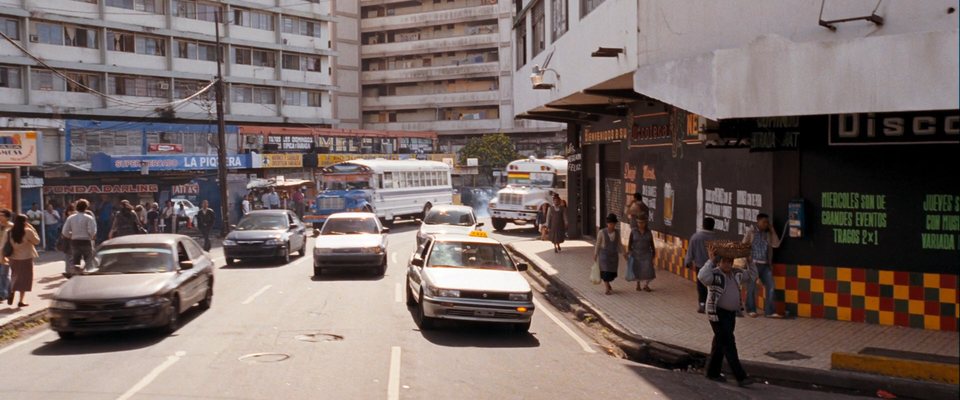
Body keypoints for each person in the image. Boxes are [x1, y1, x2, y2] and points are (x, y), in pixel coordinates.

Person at [698, 245, 755, 387]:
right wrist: (710, 261)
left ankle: (712, 372)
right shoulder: (715, 274)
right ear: (719, 262)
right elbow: (702, 277)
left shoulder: (736, 273)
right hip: (717, 314)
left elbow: (753, 276)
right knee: (729, 343)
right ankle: (740, 376)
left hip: (730, 315)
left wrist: (750, 261)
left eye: (730, 261)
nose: (727, 264)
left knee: (720, 343)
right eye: (724, 261)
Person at [742, 213, 784, 318]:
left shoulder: (768, 234)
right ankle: (751, 309)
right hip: (753, 264)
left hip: (765, 265)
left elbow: (776, 244)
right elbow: (743, 245)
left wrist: (772, 230)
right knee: (751, 288)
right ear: (758, 221)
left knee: (771, 286)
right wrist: (747, 258)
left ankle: (770, 311)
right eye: (764, 222)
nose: (766, 224)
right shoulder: (751, 232)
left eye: (767, 222)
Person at [4, 214, 40, 307]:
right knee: (24, 280)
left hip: (13, 258)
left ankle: (11, 290)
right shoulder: (27, 231)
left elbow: (3, 246)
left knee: (14, 276)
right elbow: (37, 241)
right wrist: (32, 228)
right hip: (26, 258)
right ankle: (21, 301)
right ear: (25, 222)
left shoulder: (9, 232)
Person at [685, 217, 718, 314]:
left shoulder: (695, 237)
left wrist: (688, 262)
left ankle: (702, 304)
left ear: (703, 225)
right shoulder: (715, 238)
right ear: (713, 226)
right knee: (712, 285)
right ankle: (712, 304)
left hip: (699, 266)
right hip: (713, 266)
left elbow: (690, 251)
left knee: (701, 285)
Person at [61, 199, 97, 276]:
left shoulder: (71, 218)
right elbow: (93, 231)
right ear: (86, 207)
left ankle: (77, 276)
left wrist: (71, 236)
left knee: (75, 261)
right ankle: (89, 276)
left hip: (74, 242)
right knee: (89, 261)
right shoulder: (89, 218)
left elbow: (64, 232)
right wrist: (90, 237)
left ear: (76, 207)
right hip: (86, 241)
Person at [594, 213, 624, 295]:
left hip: (613, 256)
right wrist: (595, 254)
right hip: (604, 255)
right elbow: (598, 244)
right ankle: (607, 288)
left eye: (613, 224)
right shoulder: (602, 232)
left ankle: (608, 283)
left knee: (611, 273)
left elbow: (619, 244)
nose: (611, 225)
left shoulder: (617, 233)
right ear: (607, 224)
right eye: (610, 224)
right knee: (605, 271)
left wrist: (624, 253)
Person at [628, 218, 656, 292]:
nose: (641, 224)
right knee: (638, 269)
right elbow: (630, 243)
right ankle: (638, 284)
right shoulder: (633, 231)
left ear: (645, 223)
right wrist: (630, 251)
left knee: (649, 270)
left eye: (642, 223)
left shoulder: (648, 232)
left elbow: (652, 244)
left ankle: (646, 285)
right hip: (636, 253)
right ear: (637, 223)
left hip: (647, 253)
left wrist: (653, 253)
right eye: (639, 223)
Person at [0, 209, 13, 304]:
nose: (0, 217)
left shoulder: (11, 227)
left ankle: (4, 293)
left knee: (4, 274)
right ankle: (6, 292)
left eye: (2, 215)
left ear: (7, 217)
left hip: (7, 253)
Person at [60, 203, 76, 274]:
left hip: (70, 239)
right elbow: (65, 231)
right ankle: (69, 271)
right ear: (68, 211)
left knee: (70, 255)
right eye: (72, 211)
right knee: (69, 255)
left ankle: (69, 270)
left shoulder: (71, 218)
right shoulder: (68, 219)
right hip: (69, 239)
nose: (74, 212)